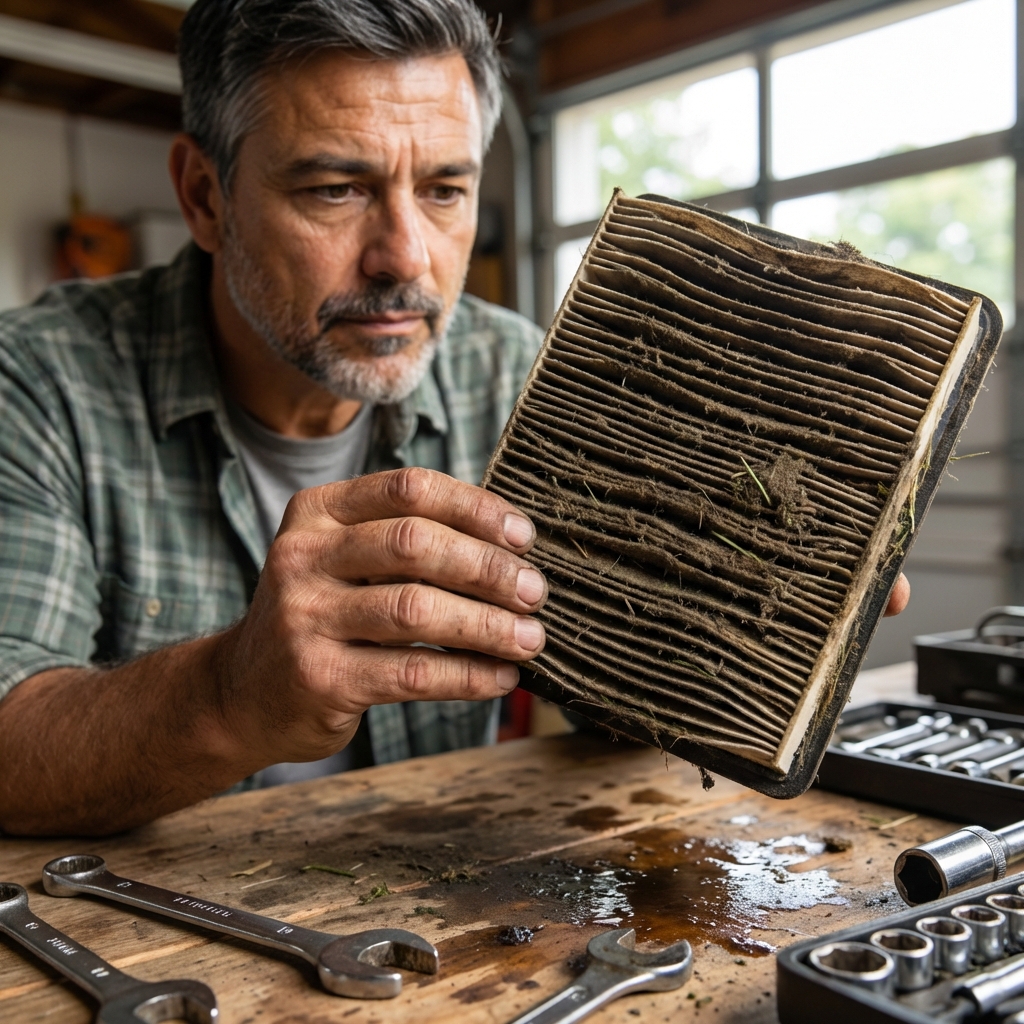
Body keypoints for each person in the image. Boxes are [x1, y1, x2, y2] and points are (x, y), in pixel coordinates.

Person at [0, 0, 910, 838]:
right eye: (334, 189)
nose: (405, 257)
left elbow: (609, 697)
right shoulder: (37, 382)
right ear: (204, 195)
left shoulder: (515, 370)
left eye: (444, 190)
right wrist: (233, 693)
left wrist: (734, 613)